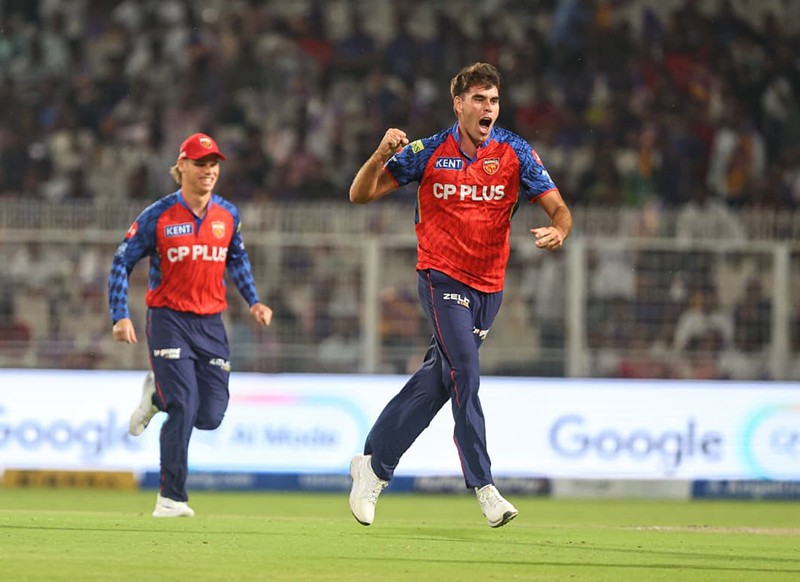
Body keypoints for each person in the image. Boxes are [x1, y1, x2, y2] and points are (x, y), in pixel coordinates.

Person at [347, 62, 572, 528]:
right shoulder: (427, 151)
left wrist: (559, 230)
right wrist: (379, 154)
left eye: (493, 100)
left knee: (439, 380)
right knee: (465, 371)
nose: (487, 108)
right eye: (478, 100)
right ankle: (484, 486)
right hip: (440, 278)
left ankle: (372, 464)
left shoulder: (515, 152)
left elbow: (560, 209)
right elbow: (359, 194)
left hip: (490, 287)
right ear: (459, 104)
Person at [108, 133, 273, 517]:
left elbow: (237, 261)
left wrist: (254, 301)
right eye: (201, 163)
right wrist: (119, 315)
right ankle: (171, 497)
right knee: (183, 405)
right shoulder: (158, 215)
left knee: (210, 415)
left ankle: (155, 396)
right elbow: (121, 261)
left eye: (214, 164)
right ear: (181, 166)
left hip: (211, 323)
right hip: (168, 319)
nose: (209, 170)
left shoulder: (227, 215)